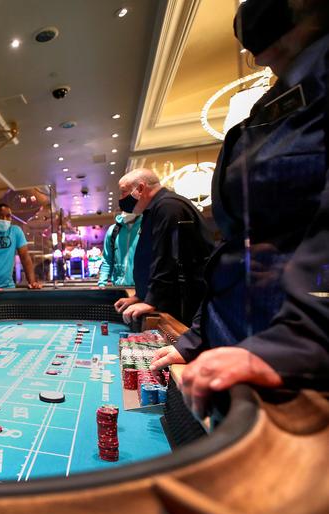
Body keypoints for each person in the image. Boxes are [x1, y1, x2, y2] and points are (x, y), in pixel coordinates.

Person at [152, 0, 329, 418]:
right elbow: (234, 255)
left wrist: (291, 347)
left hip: (299, 374)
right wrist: (197, 338)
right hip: (238, 349)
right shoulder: (270, 107)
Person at [114, 169, 213, 324]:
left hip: (184, 305)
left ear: (140, 189)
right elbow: (151, 256)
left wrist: (151, 301)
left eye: (123, 192)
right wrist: (140, 295)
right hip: (170, 299)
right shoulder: (154, 210)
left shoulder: (169, 207)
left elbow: (167, 258)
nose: (121, 199)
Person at [97, 211, 142, 287]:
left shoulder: (146, 227)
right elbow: (107, 260)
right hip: (119, 288)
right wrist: (101, 284)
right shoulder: (113, 230)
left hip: (142, 290)